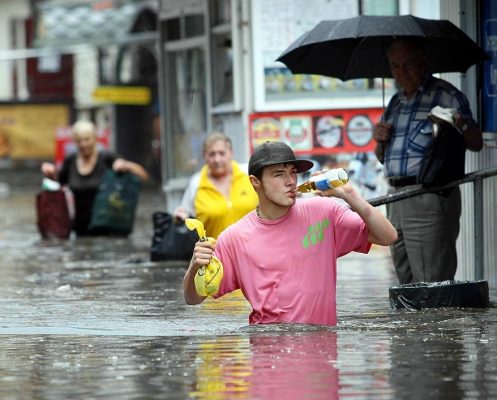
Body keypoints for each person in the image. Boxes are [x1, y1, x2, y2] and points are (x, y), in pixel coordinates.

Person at [183, 141, 397, 326]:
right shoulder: (235, 238)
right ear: (255, 182)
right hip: (268, 354)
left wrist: (350, 195)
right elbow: (193, 298)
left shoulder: (324, 211)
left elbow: (387, 237)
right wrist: (194, 266)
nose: (290, 181)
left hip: (321, 357)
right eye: (279, 174)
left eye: (293, 173)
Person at [372, 38, 483, 284]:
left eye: (408, 64)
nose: (402, 72)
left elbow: (476, 142)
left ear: (424, 62)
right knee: (405, 281)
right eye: (395, 66)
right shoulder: (395, 102)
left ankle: (441, 324)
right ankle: (414, 325)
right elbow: (383, 157)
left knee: (432, 280)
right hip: (395, 197)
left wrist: (458, 121)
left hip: (428, 196)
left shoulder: (446, 95)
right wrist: (379, 139)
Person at [41, 120, 149, 236]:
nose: (83, 144)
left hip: (109, 230)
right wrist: (50, 173)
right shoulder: (70, 160)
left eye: (87, 139)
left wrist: (125, 165)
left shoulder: (107, 158)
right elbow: (57, 186)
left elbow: (144, 177)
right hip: (81, 230)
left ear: (95, 139)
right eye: (79, 141)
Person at [173, 131, 258, 239]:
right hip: (214, 253)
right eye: (212, 154)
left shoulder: (248, 174)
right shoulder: (197, 182)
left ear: (231, 153)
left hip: (252, 250)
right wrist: (179, 217)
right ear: (204, 156)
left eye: (222, 153)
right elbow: (186, 216)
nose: (217, 160)